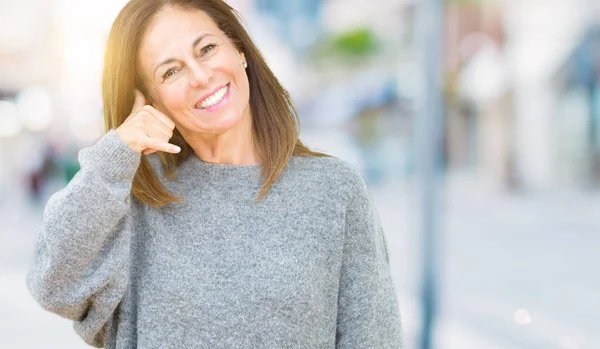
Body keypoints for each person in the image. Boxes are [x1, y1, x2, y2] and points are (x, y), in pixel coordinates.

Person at [26, 0, 403, 348]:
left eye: (206, 49)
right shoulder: (133, 202)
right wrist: (117, 150)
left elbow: (374, 338)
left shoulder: (334, 190)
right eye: (171, 71)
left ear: (238, 50)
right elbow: (51, 282)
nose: (201, 76)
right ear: (150, 100)